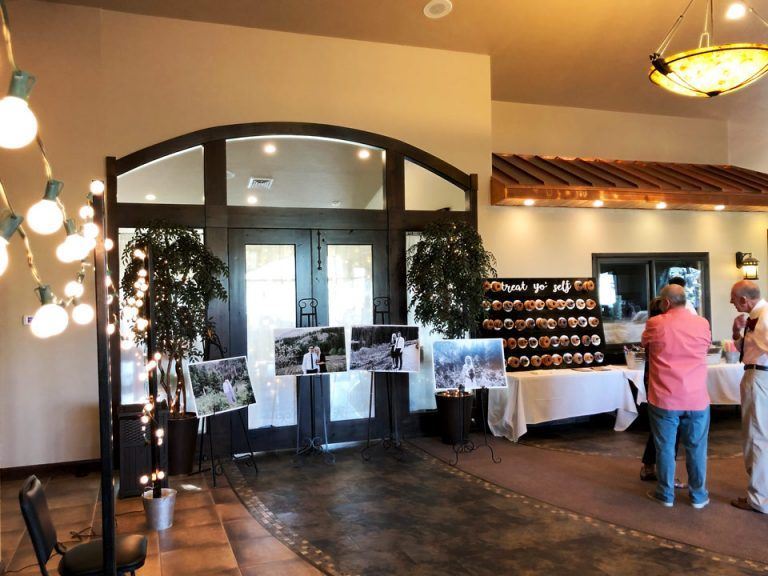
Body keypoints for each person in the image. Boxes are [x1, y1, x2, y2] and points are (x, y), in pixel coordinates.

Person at [641, 283, 711, 508]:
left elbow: (644, 344)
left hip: (666, 397)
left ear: (666, 302)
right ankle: (699, 496)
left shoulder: (655, 323)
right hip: (697, 397)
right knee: (697, 448)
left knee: (665, 447)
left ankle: (666, 494)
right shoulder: (702, 323)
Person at [729, 279, 768, 513]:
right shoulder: (757, 316)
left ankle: (759, 499)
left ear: (744, 299)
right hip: (758, 375)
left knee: (756, 437)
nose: (731, 302)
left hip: (760, 378)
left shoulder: (764, 317)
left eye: (733, 298)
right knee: (760, 435)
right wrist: (736, 332)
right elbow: (749, 347)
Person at [639, 297, 682, 485]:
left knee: (660, 426)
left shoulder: (652, 328)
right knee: (672, 428)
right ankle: (666, 475)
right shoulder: (662, 328)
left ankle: (650, 465)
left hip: (655, 380)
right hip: (667, 382)